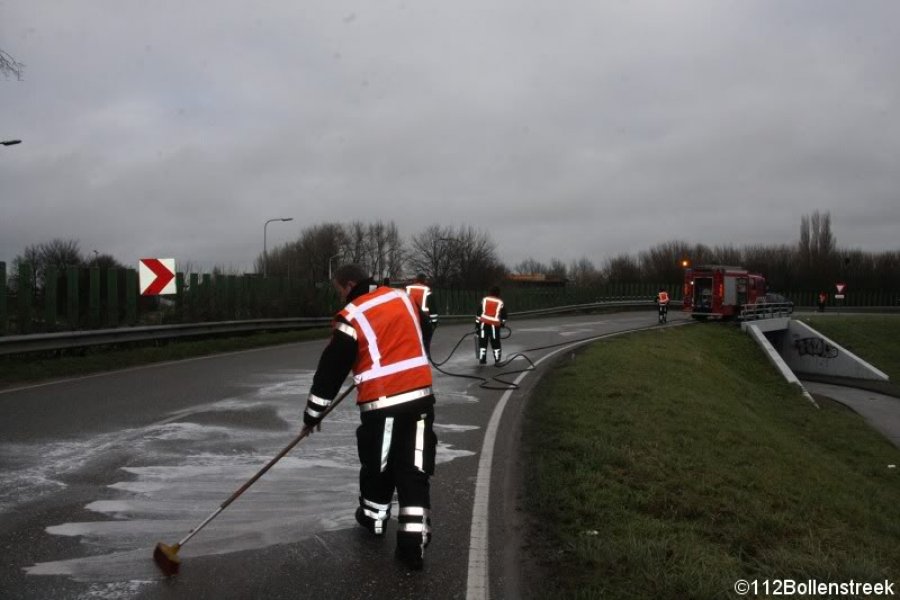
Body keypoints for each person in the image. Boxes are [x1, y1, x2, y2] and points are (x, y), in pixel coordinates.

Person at [302, 264, 437, 570]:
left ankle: (374, 520)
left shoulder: (353, 315)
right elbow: (423, 331)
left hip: (383, 402)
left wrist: (313, 414)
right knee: (414, 469)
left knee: (379, 465)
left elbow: (331, 370)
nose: (340, 297)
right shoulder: (403, 298)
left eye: (339, 290)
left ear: (349, 284)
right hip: (419, 397)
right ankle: (412, 545)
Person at [405, 273, 435, 358]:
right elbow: (432, 308)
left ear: (416, 279)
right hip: (423, 319)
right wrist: (434, 322)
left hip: (410, 318)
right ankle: (425, 354)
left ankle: (412, 354)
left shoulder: (408, 289)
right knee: (426, 337)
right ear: (424, 280)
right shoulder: (427, 290)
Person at [476, 286, 507, 365]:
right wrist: (502, 323)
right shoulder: (500, 302)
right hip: (494, 326)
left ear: (490, 292)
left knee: (482, 342)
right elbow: (504, 315)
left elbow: (478, 314)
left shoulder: (485, 300)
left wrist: (477, 326)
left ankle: (482, 360)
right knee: (495, 342)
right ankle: (497, 360)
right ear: (498, 293)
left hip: (483, 324)